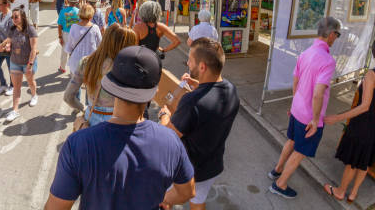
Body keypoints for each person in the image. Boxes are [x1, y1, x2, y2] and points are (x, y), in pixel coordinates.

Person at [45, 46, 196, 210]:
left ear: (110, 85)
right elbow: (187, 192)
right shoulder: (170, 140)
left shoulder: (78, 144)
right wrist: (165, 200)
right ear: (154, 93)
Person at [159, 37, 240, 209]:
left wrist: (164, 115)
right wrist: (198, 84)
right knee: (197, 203)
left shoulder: (191, 102)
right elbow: (211, 98)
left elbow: (168, 136)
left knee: (163, 200)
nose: (187, 62)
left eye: (190, 60)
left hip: (186, 170)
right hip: (212, 166)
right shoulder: (232, 90)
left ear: (202, 67)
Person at [268, 17, 341, 199]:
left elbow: (296, 81)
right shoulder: (328, 61)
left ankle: (277, 170)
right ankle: (280, 184)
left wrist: (295, 103)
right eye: (337, 35)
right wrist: (316, 120)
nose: (336, 38)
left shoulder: (305, 53)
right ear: (331, 34)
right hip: (310, 116)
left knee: (292, 140)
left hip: (297, 109)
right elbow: (318, 93)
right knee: (300, 152)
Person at [323, 34, 375, 203]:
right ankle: (353, 193)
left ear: (373, 52)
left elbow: (364, 106)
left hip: (365, 123)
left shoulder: (371, 75)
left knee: (353, 160)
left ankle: (341, 191)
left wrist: (337, 117)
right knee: (366, 159)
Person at [63, 23, 137, 124]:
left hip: (91, 117)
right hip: (118, 120)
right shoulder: (129, 68)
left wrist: (83, 108)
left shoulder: (86, 62)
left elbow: (68, 97)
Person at [0, 8, 39, 121]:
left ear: (22, 17)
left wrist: (29, 65)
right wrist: (3, 45)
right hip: (15, 61)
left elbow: (34, 49)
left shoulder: (30, 29)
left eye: (16, 17)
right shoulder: (12, 29)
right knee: (16, 87)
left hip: (28, 62)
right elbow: (9, 40)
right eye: (12, 17)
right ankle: (15, 111)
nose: (13, 19)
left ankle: (34, 95)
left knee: (30, 81)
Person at [64, 4, 102, 87]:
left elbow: (69, 45)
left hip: (76, 60)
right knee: (90, 87)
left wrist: (70, 54)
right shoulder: (95, 28)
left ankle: (76, 99)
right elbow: (100, 45)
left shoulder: (74, 27)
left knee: (76, 86)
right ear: (91, 15)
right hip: (90, 61)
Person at [58, 0, 80, 73]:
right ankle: (72, 69)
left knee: (64, 51)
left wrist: (60, 37)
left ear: (68, 1)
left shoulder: (63, 11)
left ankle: (63, 67)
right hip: (76, 34)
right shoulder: (79, 12)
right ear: (76, 2)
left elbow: (59, 25)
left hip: (66, 33)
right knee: (74, 51)